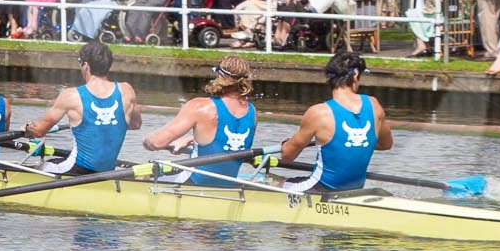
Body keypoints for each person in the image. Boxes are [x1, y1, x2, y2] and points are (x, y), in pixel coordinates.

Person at [278, 49, 392, 193]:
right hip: (354, 188)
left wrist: (286, 145)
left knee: (274, 184)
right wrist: (350, 145)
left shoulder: (319, 113)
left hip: (321, 188)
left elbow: (287, 156)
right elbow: (386, 144)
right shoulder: (374, 105)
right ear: (356, 76)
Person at [24, 40, 142, 175]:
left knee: (40, 167)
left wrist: (27, 128)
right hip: (107, 171)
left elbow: (39, 131)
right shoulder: (126, 91)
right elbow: (135, 125)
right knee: (57, 161)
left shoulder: (71, 95)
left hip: (77, 171)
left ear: (85, 66)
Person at [142, 53, 258, 181]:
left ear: (220, 76)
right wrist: (191, 139)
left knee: (143, 178)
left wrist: (146, 141)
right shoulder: (252, 112)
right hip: (227, 188)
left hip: (192, 185)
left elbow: (157, 142)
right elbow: (223, 140)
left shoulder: (199, 107)